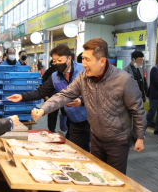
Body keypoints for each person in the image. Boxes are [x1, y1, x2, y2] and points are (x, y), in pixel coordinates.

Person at [30, 38, 146, 175]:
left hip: (118, 140)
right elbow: (64, 95)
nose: (83, 64)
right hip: (96, 137)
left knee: (115, 178)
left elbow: (137, 109)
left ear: (102, 61)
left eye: (87, 60)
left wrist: (140, 137)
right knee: (97, 174)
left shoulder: (124, 80)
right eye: (83, 59)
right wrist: (44, 109)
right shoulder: (83, 77)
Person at [7, 44, 90, 152]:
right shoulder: (55, 76)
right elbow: (41, 92)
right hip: (73, 120)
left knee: (92, 152)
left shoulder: (83, 71)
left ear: (69, 58)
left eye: (60, 60)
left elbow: (95, 93)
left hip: (90, 119)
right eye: (55, 61)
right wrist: (22, 96)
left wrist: (82, 101)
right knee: (74, 150)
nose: (57, 64)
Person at [41, 60, 59, 133]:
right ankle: (51, 129)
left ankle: (53, 128)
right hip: (49, 97)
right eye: (53, 62)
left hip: (58, 97)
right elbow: (42, 85)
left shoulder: (60, 72)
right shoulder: (48, 72)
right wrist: (45, 96)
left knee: (56, 114)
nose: (55, 64)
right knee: (51, 114)